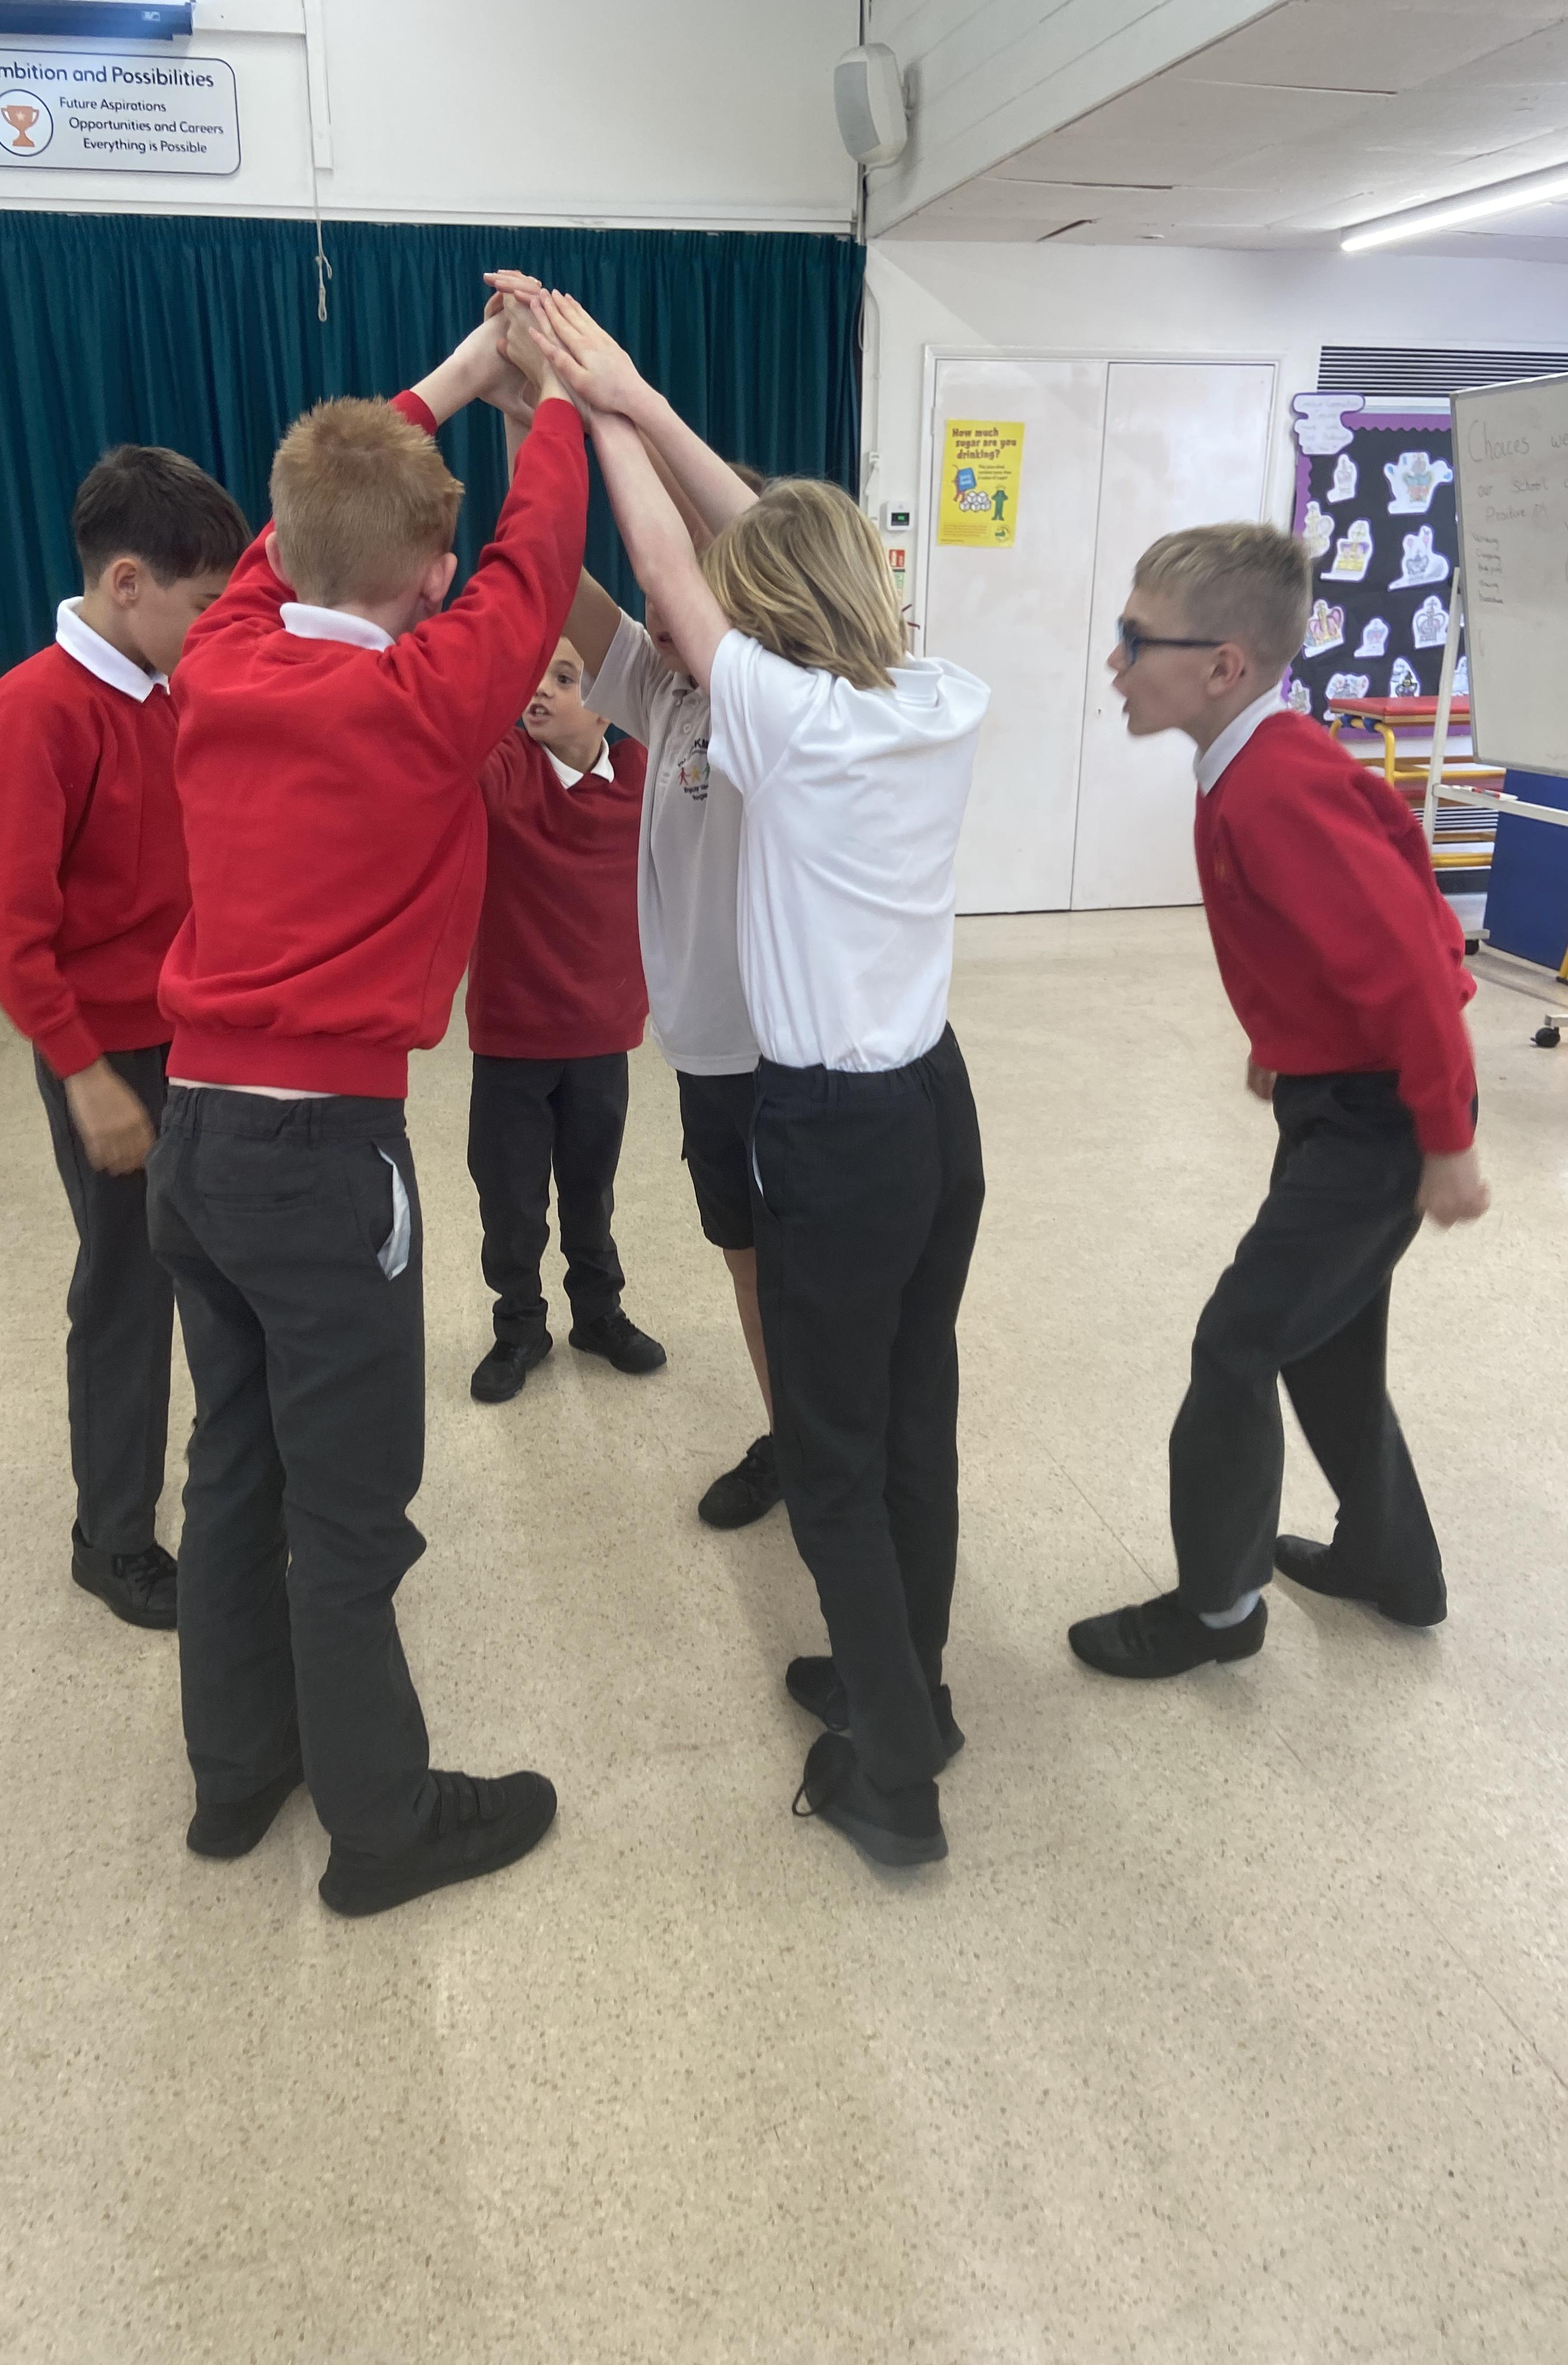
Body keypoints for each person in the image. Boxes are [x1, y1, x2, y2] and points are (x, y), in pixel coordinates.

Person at [527, 290, 990, 1870]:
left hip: (836, 1131)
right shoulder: (929, 696)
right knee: (913, 1416)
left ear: (767, 619)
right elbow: (760, 551)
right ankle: (909, 1691)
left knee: (839, 1463)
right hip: (935, 1108)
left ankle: (895, 1785)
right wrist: (639, 394)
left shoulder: (782, 725)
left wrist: (600, 402)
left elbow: (674, 571)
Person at [144, 298, 585, 1919]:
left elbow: (309, 532)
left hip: (196, 1138)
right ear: (426, 578)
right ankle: (384, 1829)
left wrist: (461, 379)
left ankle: (235, 1778)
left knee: (234, 1469)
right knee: (347, 1516)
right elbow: (541, 560)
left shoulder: (223, 656)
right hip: (322, 1157)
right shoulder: (425, 697)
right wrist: (559, 400)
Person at [1066, 524, 1487, 1680]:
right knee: (1325, 1337)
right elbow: (1360, 919)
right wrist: (1285, 1044)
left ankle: (1217, 1612)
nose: (1114, 661)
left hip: (1379, 1120)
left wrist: (1444, 1138)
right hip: (1338, 1095)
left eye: (1134, 638)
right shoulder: (1249, 769)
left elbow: (1411, 967)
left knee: (1237, 1341)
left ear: (1223, 666)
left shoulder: (1275, 789)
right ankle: (1392, 1563)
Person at [486, 275, 780, 1527]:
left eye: (680, 585)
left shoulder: (788, 706)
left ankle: (835, 1451)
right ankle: (791, 1432)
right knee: (747, 1261)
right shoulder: (665, 696)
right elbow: (563, 579)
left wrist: (614, 401)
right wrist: (531, 413)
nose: (654, 606)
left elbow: (743, 558)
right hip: (709, 1057)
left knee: (814, 1276)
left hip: (795, 1059)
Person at [0, 445, 249, 1631]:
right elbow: (0, 920)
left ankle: (231, 1487)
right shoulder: (40, 708)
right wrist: (80, 1070)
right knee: (129, 1287)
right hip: (108, 1056)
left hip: (193, 1033)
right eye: (203, 605)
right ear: (128, 583)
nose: (215, 628)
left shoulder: (166, 685)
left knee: (217, 1267)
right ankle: (112, 1536)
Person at [465, 635, 662, 1402]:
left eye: (566, 678)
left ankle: (598, 1313)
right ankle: (519, 1325)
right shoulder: (504, 767)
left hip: (601, 1037)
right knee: (510, 1197)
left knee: (591, 1186)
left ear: (609, 701)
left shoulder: (643, 778)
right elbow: (447, 763)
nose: (540, 690)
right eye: (533, 676)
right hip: (512, 1040)